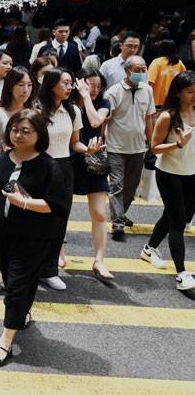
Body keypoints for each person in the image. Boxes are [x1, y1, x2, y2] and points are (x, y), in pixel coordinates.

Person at [0, 109, 72, 368]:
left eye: (26, 131)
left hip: (32, 239)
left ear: (39, 134)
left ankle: (5, 341)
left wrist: (24, 203)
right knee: (15, 283)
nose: (18, 135)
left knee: (17, 288)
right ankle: (21, 312)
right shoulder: (2, 160)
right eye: (14, 129)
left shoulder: (49, 166)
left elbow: (56, 205)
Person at [37, 68, 96, 291]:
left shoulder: (73, 111)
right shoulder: (37, 110)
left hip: (64, 167)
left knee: (59, 220)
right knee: (36, 220)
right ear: (52, 85)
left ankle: (49, 271)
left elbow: (75, 143)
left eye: (71, 83)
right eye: (66, 83)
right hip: (40, 167)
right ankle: (31, 266)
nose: (70, 87)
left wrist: (89, 150)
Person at [141, 71, 195, 290]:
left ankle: (149, 248)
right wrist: (178, 144)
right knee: (178, 222)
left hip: (192, 173)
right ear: (178, 93)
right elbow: (155, 147)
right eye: (190, 92)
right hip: (170, 174)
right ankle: (182, 273)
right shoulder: (168, 116)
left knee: (173, 215)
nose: (194, 96)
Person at [105, 55, 158, 242]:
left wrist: (151, 142)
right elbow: (105, 119)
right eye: (137, 70)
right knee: (117, 185)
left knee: (131, 188)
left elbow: (149, 118)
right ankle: (118, 222)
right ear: (127, 71)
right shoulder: (113, 92)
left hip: (137, 148)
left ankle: (121, 212)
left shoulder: (148, 91)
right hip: (115, 147)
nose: (141, 73)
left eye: (143, 70)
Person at [73, 69, 115, 281]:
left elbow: (96, 122)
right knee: (59, 210)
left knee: (100, 213)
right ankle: (58, 252)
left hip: (95, 160)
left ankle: (99, 260)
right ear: (80, 83)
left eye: (99, 86)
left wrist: (87, 98)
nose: (96, 90)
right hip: (69, 159)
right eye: (91, 86)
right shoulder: (68, 104)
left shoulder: (103, 103)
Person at [148, 40, 187, 108]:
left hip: (156, 102)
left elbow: (150, 82)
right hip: (172, 102)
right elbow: (185, 81)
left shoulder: (156, 62)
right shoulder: (179, 63)